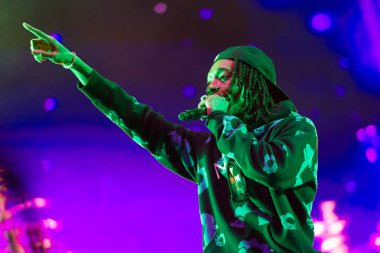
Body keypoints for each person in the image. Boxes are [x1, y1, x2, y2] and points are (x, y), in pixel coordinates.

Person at [23, 22, 319, 253]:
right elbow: (142, 121)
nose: (212, 86)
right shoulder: (208, 148)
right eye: (208, 81)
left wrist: (219, 119)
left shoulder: (295, 129)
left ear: (254, 83)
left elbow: (272, 169)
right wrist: (74, 64)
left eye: (223, 77)